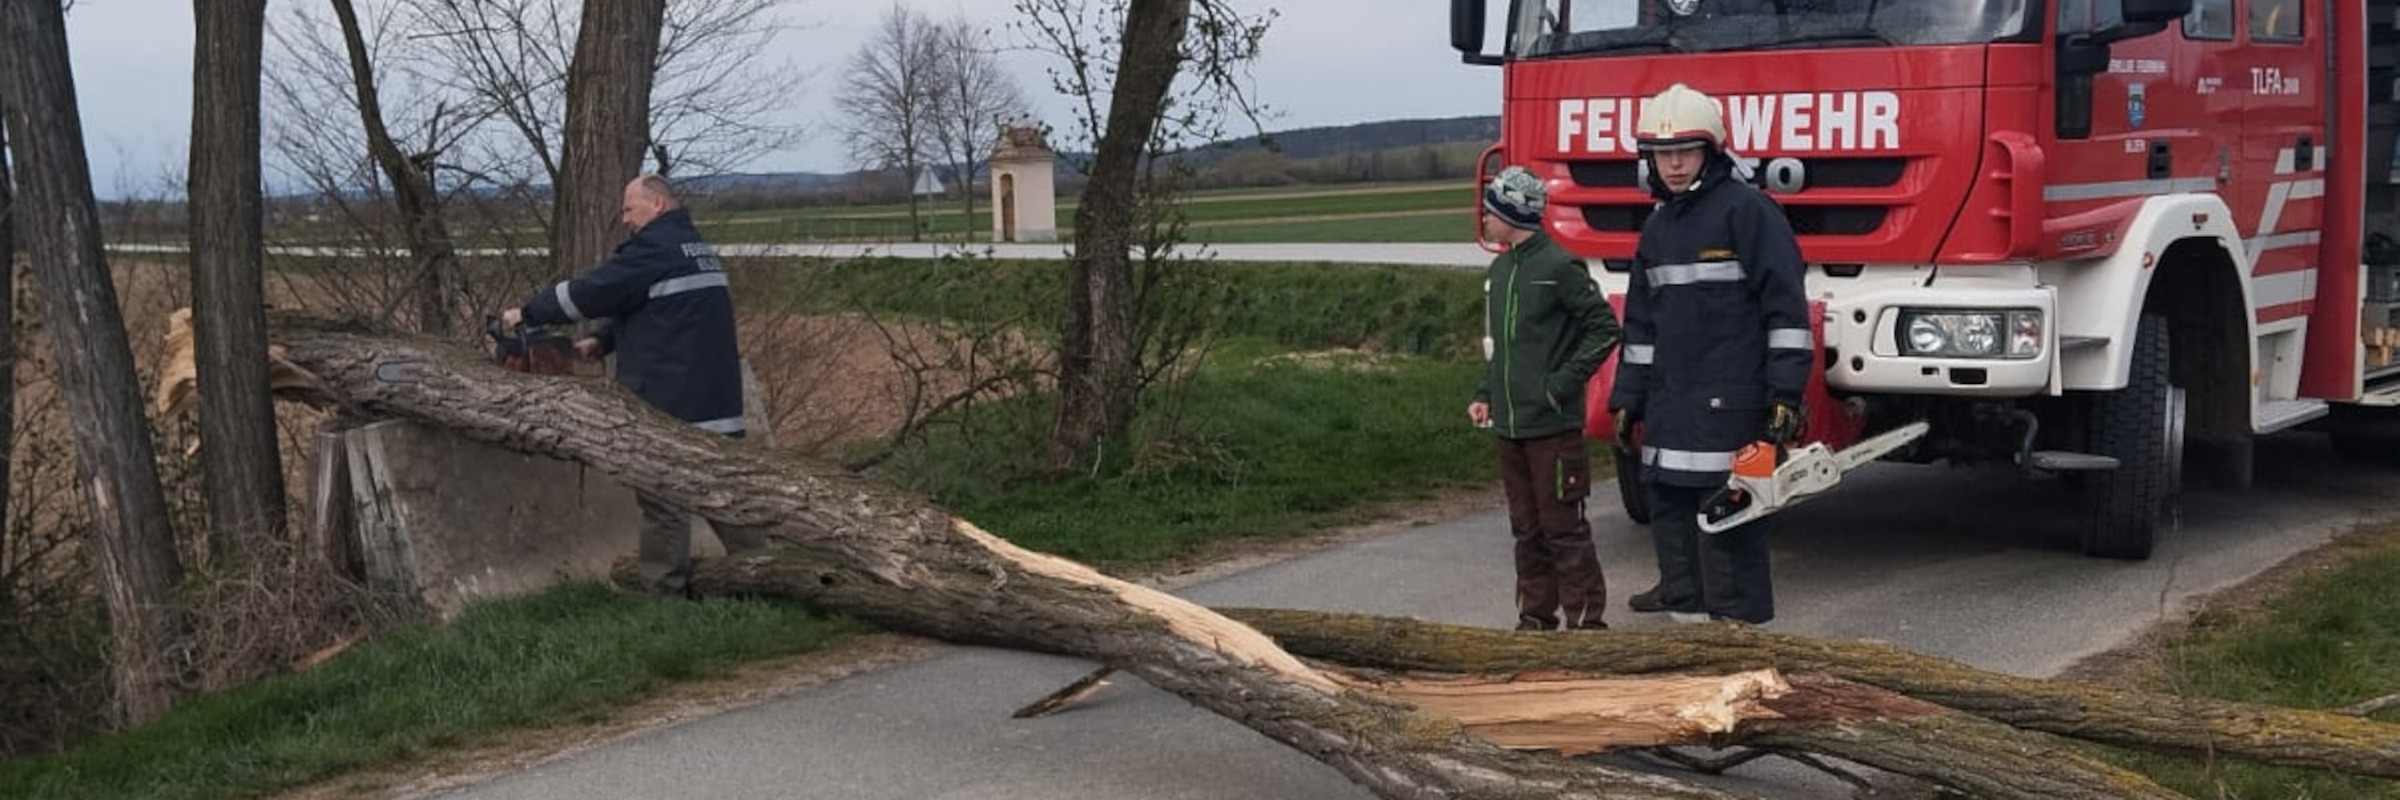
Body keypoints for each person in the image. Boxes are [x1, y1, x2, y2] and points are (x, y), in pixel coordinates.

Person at [501, 173, 764, 598]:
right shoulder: (692, 248)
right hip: (713, 400)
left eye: (629, 209)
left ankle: (664, 601)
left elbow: (594, 291)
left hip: (669, 403)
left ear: (656, 205)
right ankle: (769, 580)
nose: (625, 219)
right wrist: (602, 341)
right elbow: (661, 309)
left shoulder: (654, 250)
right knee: (727, 495)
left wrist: (528, 313)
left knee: (663, 500)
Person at [1610, 83, 1810, 625]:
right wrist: (1627, 397)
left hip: (1736, 414)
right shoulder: (1657, 227)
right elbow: (1642, 326)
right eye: (1661, 154)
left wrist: (1785, 398)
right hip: (1672, 413)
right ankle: (1691, 660)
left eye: (1684, 151)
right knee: (1674, 538)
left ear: (1712, 150)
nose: (1673, 165)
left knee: (1732, 541)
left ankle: (1743, 666)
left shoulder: (1750, 213)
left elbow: (1787, 316)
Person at [1468, 165, 1623, 632]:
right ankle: (1535, 617)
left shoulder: (1558, 267)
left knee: (1563, 529)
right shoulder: (1501, 269)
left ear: (1514, 214)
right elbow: (1505, 347)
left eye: (1491, 211)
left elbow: (1604, 329)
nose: (1484, 219)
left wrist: (1562, 383)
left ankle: (1586, 622)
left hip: (1552, 428)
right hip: (1510, 427)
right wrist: (1485, 392)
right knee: (1526, 529)